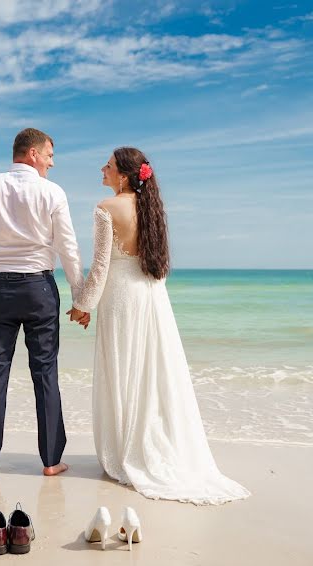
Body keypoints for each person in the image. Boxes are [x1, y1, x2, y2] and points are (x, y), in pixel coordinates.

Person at [70, 147, 250, 504]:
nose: (102, 169)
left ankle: (126, 451)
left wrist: (81, 305)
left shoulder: (106, 208)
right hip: (152, 296)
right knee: (152, 372)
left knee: (122, 370)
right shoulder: (151, 208)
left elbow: (101, 266)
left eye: (107, 165)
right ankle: (153, 444)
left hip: (120, 297)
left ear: (122, 174)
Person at [0, 128, 88, 476]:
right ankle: (51, 461)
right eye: (49, 155)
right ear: (32, 153)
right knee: (45, 372)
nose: (51, 162)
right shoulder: (52, 192)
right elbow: (68, 247)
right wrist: (80, 296)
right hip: (39, 289)